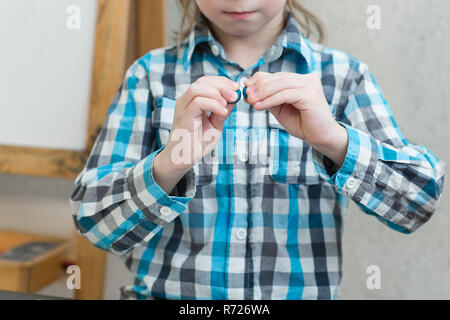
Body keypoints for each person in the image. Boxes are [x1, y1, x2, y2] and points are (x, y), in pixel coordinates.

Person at [69, 0, 446, 300]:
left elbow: (419, 203)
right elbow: (94, 223)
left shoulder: (344, 76)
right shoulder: (149, 76)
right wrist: (170, 163)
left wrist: (332, 139)